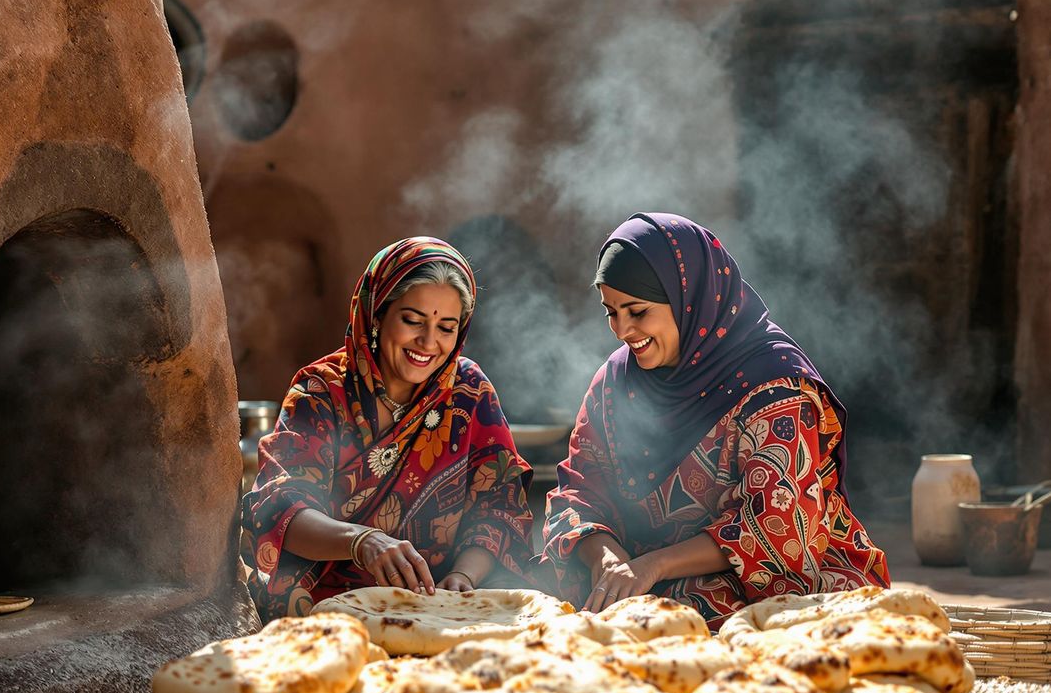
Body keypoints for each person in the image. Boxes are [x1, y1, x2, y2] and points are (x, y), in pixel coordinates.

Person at [541, 212, 889, 629]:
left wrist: (653, 565)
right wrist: (608, 559)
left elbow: (776, 529)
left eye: (637, 311)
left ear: (689, 300)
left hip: (782, 585)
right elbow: (579, 491)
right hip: (645, 582)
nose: (622, 331)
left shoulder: (772, 386)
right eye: (611, 312)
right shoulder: (615, 384)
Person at [241, 237, 536, 620]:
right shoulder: (321, 391)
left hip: (438, 610)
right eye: (413, 321)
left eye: (446, 327)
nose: (428, 342)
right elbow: (281, 506)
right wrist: (362, 541)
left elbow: (499, 505)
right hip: (320, 612)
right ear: (377, 314)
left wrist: (464, 575)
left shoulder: (468, 394)